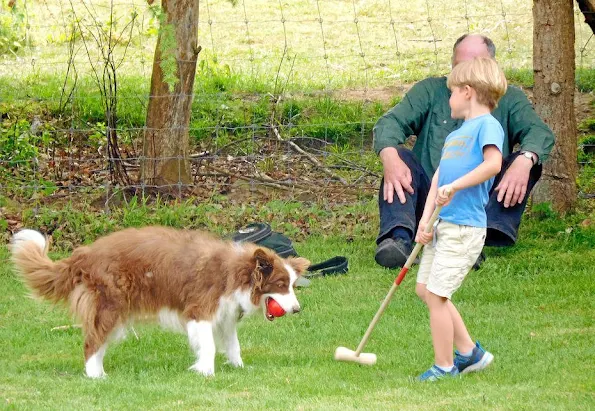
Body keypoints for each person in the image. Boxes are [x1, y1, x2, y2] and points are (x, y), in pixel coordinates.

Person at [373, 34, 555, 269]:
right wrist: (389, 155)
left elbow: (539, 133)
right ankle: (399, 239)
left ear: (492, 66)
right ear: (452, 65)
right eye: (460, 68)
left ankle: (479, 239)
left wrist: (525, 159)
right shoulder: (431, 91)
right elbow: (390, 123)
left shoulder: (510, 99)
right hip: (433, 196)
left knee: (527, 160)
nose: (467, 78)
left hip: (479, 200)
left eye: (475, 67)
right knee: (400, 157)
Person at [414, 56, 506, 381]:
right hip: (441, 225)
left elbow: (493, 164)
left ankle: (444, 366)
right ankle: (470, 353)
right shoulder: (456, 135)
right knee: (425, 290)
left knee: (438, 296)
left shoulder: (488, 125)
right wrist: (425, 222)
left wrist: (456, 186)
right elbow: (439, 178)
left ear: (467, 92)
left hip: (464, 227)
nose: (448, 98)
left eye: (451, 92)